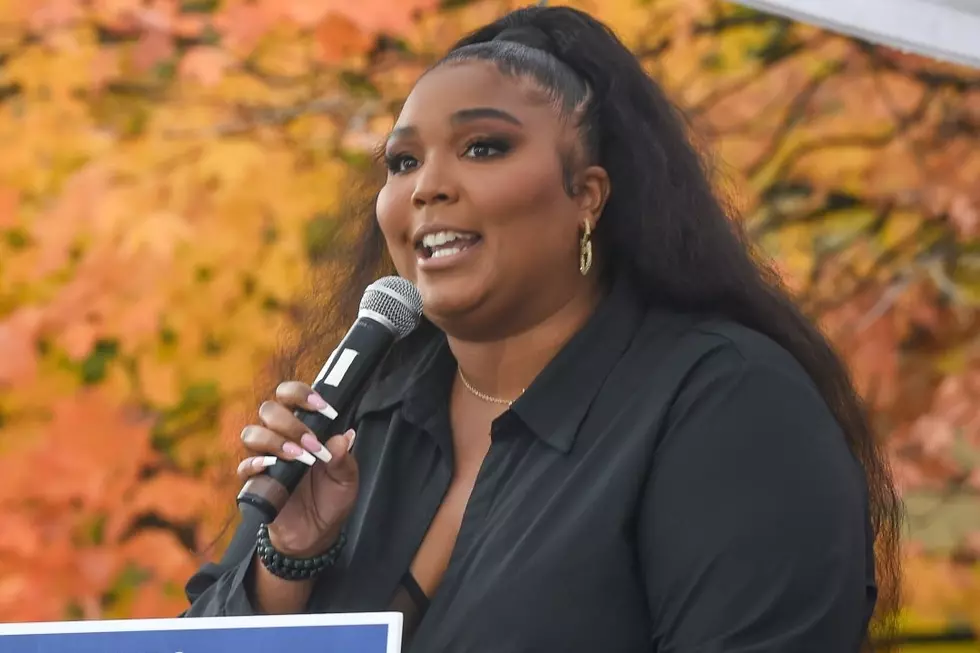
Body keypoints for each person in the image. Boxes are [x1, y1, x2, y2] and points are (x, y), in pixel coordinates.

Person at [183, 5, 903, 651]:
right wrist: (290, 560)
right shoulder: (363, 418)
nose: (426, 184)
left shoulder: (726, 403)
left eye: (483, 147)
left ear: (586, 196)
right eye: (403, 161)